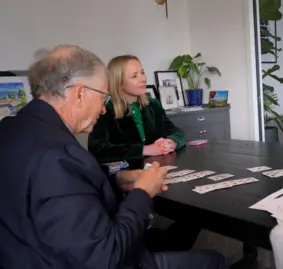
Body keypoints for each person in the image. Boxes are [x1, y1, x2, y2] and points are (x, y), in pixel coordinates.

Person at [0, 45, 226, 269]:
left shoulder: (10, 129)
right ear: (80, 93)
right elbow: (105, 257)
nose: (101, 109)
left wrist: (116, 180)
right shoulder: (57, 157)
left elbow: (63, 194)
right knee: (213, 260)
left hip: (28, 254)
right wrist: (142, 192)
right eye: (102, 96)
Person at [88, 55, 185, 163]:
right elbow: (98, 149)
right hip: (124, 175)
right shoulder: (105, 111)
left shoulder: (153, 104)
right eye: (134, 76)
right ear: (119, 83)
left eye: (142, 73)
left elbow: (177, 132)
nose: (143, 79)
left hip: (157, 169)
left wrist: (172, 142)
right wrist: (145, 150)